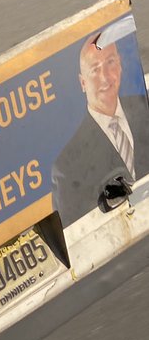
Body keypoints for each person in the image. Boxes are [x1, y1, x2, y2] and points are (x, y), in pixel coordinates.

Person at [51, 35, 149, 226]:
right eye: (95, 69)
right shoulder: (66, 167)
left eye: (110, 62)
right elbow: (79, 237)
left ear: (120, 65)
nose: (105, 77)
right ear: (82, 82)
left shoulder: (144, 107)